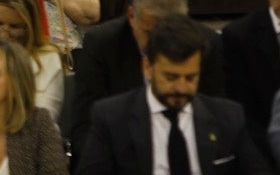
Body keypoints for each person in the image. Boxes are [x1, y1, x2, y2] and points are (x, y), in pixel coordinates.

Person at [78, 16, 267, 175]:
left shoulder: (228, 118)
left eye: (190, 77)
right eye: (171, 77)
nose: (181, 88)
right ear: (148, 68)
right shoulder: (111, 118)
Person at [66, 0, 228, 155]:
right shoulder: (102, 45)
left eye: (173, 32)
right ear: (131, 15)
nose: (161, 44)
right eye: (150, 33)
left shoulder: (208, 44)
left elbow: (217, 122)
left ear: (185, 18)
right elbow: (85, 129)